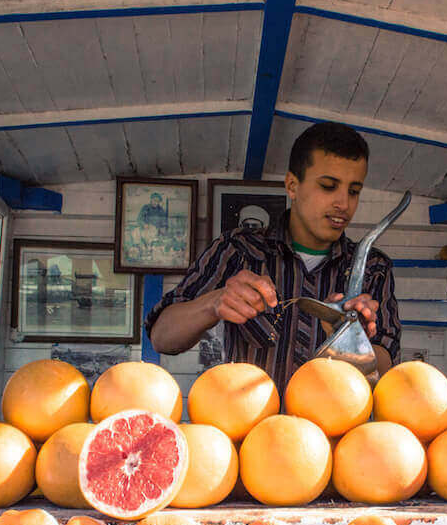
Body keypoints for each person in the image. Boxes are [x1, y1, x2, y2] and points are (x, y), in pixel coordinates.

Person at [145, 121, 401, 394]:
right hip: (250, 430)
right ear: (292, 185)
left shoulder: (373, 268)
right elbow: (162, 337)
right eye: (328, 186)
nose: (344, 204)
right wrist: (214, 303)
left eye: (354, 191)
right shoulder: (237, 249)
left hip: (332, 435)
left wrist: (350, 341)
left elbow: (385, 371)